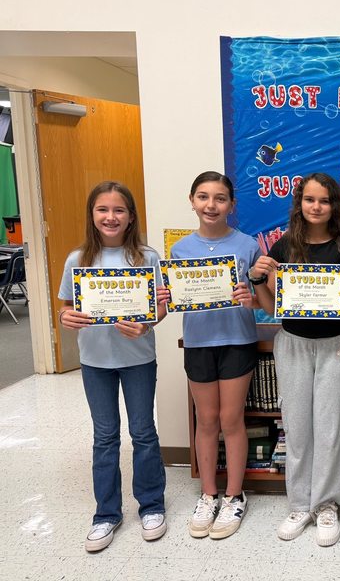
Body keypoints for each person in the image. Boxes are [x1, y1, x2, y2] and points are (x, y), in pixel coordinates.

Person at [249, 172, 340, 547]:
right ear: (299, 203)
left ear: (335, 206)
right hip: (294, 345)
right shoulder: (285, 246)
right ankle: (300, 504)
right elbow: (270, 306)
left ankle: (326, 503)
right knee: (297, 425)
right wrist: (258, 280)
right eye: (309, 199)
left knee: (332, 426)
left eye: (324, 200)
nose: (316, 207)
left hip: (336, 344)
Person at [58, 181, 167, 552]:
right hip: (95, 362)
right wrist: (65, 317)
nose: (110, 216)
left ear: (131, 216)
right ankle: (106, 513)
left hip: (138, 360)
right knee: (104, 437)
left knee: (143, 432)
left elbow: (161, 307)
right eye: (102, 209)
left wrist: (147, 324)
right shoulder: (78, 259)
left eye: (119, 210)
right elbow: (65, 307)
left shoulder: (147, 257)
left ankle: (152, 506)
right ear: (92, 215)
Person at [171, 171, 263, 540]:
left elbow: (262, 300)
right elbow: (174, 298)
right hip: (198, 343)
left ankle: (234, 495)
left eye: (220, 198)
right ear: (192, 201)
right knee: (206, 420)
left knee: (231, 419)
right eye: (204, 197)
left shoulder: (248, 246)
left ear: (231, 205)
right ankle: (208, 494)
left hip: (237, 340)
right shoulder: (180, 250)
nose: (212, 205)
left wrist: (251, 298)